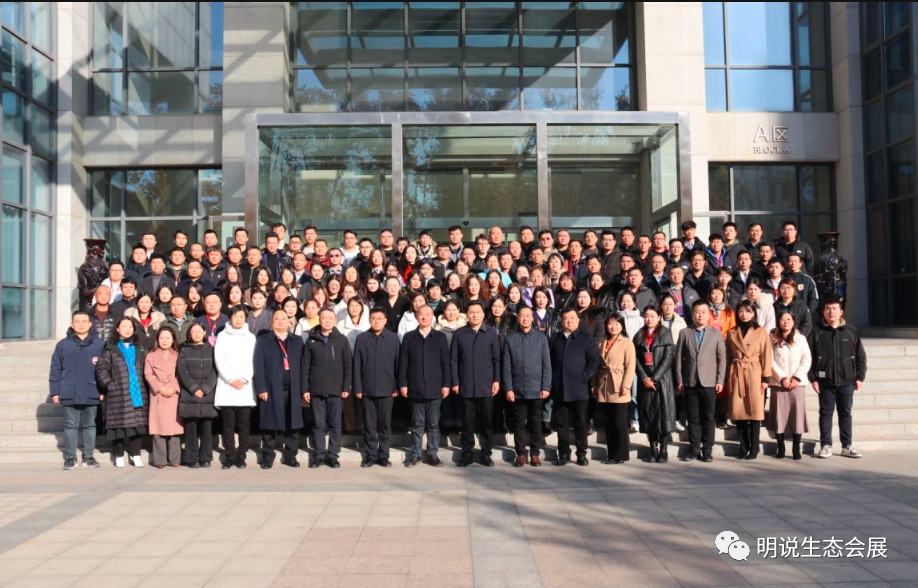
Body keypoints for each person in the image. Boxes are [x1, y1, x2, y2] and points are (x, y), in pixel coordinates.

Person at [808, 297, 867, 459]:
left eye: (834, 308)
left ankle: (847, 446)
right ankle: (826, 445)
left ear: (841, 312)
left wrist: (860, 377)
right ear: (823, 312)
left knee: (845, 413)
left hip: (847, 381)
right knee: (826, 413)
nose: (831, 312)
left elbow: (861, 356)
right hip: (825, 381)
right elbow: (809, 357)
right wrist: (812, 378)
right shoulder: (817, 332)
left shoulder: (851, 331)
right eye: (827, 308)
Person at [49, 311, 105, 470]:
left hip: (91, 390)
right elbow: (55, 369)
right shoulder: (63, 345)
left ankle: (88, 456)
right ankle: (70, 457)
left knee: (90, 425)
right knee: (70, 425)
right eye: (77, 321)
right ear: (72, 325)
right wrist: (55, 391)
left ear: (90, 324)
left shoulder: (99, 344)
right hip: (69, 392)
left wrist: (103, 390)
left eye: (84, 321)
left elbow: (104, 369)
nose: (81, 324)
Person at [398, 305, 451, 467]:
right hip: (415, 387)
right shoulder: (409, 337)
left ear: (432, 317)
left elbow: (445, 363)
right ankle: (416, 454)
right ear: (416, 317)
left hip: (435, 387)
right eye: (421, 314)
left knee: (433, 423)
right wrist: (403, 384)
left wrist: (446, 384)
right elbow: (403, 363)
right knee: (417, 423)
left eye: (428, 314)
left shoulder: (440, 337)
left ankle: (432, 453)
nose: (424, 317)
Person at [674, 301, 727, 462]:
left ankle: (708, 450)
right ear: (692, 314)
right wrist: (680, 378)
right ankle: (694, 450)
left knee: (708, 418)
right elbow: (678, 358)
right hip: (690, 381)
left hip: (709, 382)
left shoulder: (716, 333)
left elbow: (721, 358)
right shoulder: (685, 332)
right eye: (697, 312)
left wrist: (720, 380)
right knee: (693, 418)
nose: (700, 315)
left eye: (704, 312)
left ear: (708, 313)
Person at [450, 301, 501, 467]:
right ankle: (467, 453)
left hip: (486, 385)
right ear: (466, 315)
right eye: (471, 312)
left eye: (478, 312)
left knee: (486, 423)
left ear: (483, 314)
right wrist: (455, 381)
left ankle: (486, 453)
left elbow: (496, 359)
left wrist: (496, 380)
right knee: (467, 423)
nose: (474, 315)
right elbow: (453, 360)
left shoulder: (491, 333)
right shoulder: (459, 334)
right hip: (466, 385)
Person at [301, 308, 352, 469]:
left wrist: (346, 386)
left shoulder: (342, 340)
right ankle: (319, 455)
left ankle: (333, 455)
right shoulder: (311, 340)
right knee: (318, 424)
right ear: (319, 320)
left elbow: (348, 365)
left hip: (336, 389)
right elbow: (305, 367)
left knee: (335, 424)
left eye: (330, 318)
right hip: (316, 389)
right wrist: (305, 389)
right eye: (324, 318)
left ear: (335, 321)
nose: (327, 320)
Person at [254, 309, 305, 468]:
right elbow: (258, 365)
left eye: (284, 318)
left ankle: (290, 456)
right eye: (277, 319)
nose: (280, 321)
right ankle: (268, 456)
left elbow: (304, 367)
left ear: (289, 322)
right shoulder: (263, 340)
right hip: (271, 388)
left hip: (293, 389)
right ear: (272, 322)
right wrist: (261, 388)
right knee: (269, 423)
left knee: (293, 423)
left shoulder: (297, 341)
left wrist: (304, 389)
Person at [549, 308, 600, 466]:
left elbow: (594, 361)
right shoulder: (555, 339)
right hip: (560, 387)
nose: (569, 321)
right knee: (562, 424)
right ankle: (564, 453)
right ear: (562, 321)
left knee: (580, 423)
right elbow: (549, 362)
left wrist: (584, 377)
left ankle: (581, 453)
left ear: (578, 320)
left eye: (572, 318)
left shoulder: (586, 339)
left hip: (579, 388)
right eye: (566, 318)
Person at [503, 306, 552, 467]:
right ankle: (521, 453)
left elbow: (547, 365)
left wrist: (546, 387)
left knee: (536, 422)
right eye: (522, 316)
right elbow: (506, 366)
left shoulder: (541, 338)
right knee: (519, 423)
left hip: (536, 388)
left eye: (528, 316)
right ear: (518, 318)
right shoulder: (511, 338)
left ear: (533, 318)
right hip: (517, 389)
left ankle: (535, 453)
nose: (525, 318)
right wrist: (508, 388)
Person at [96, 317, 148, 468]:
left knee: (137, 424)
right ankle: (118, 455)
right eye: (124, 326)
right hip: (118, 392)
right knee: (118, 425)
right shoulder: (110, 348)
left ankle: (136, 454)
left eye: (130, 327)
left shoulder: (139, 347)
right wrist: (109, 385)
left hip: (138, 391)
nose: (127, 329)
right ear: (117, 329)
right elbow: (102, 369)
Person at [725, 301, 773, 460]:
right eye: (741, 311)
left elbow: (766, 355)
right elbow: (728, 356)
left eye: (747, 311)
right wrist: (726, 376)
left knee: (755, 413)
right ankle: (743, 446)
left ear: (753, 313)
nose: (744, 314)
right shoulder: (732, 332)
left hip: (754, 373)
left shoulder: (761, 331)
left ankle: (755, 447)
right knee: (739, 413)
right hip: (737, 372)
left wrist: (766, 378)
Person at [353, 308, 400, 468]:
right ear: (369, 320)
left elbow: (398, 364)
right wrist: (358, 387)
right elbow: (357, 364)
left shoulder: (393, 338)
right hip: (366, 389)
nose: (377, 321)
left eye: (380, 318)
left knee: (384, 425)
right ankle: (370, 455)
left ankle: (384, 455)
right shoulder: (362, 338)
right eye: (374, 318)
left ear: (385, 320)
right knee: (369, 425)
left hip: (387, 389)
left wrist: (396, 387)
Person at [214, 306, 257, 469]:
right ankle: (229, 456)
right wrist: (230, 379)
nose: (238, 319)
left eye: (241, 316)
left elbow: (253, 360)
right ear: (230, 318)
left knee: (244, 425)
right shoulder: (222, 336)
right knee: (228, 425)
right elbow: (219, 359)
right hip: (227, 385)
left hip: (244, 386)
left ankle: (241, 456)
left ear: (245, 318)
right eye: (235, 316)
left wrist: (244, 379)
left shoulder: (251, 337)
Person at [633, 305, 677, 463]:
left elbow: (668, 358)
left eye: (652, 316)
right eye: (646, 316)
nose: (649, 319)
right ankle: (653, 447)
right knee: (649, 414)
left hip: (662, 380)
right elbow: (635, 359)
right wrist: (645, 378)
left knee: (664, 415)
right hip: (645, 382)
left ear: (659, 317)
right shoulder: (639, 334)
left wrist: (654, 378)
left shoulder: (665, 333)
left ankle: (664, 449)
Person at [591, 313, 636, 465]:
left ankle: (620, 455)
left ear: (622, 326)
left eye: (617, 324)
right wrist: (594, 383)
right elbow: (596, 366)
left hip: (619, 385)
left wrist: (626, 385)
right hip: (604, 385)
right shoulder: (601, 342)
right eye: (610, 323)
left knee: (619, 423)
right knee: (608, 422)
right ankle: (611, 454)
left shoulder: (627, 343)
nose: (613, 327)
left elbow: (630, 366)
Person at [766, 312, 811, 460]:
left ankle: (796, 446)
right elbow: (770, 360)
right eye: (782, 319)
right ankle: (780, 446)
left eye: (788, 319)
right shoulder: (772, 338)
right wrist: (782, 377)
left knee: (797, 415)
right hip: (779, 383)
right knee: (779, 416)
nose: (785, 322)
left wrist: (797, 377)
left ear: (793, 322)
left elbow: (806, 359)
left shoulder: (801, 338)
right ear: (778, 321)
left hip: (797, 384)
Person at [177, 322, 218, 468]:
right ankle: (191, 458)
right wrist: (194, 388)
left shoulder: (212, 350)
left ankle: (206, 457)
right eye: (193, 331)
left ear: (204, 333)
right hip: (190, 394)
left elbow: (215, 371)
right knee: (191, 428)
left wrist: (205, 389)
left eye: (199, 331)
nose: (196, 334)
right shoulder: (185, 350)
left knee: (206, 428)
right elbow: (183, 371)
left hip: (207, 395)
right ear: (189, 334)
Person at [144, 326, 184, 469]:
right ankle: (160, 459)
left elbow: (182, 373)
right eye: (162, 338)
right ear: (157, 339)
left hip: (173, 394)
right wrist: (160, 388)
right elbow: (148, 374)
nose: (165, 340)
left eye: (168, 337)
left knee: (174, 427)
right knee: (158, 427)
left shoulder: (179, 355)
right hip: (158, 394)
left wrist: (173, 388)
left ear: (173, 339)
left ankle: (174, 458)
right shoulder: (151, 355)